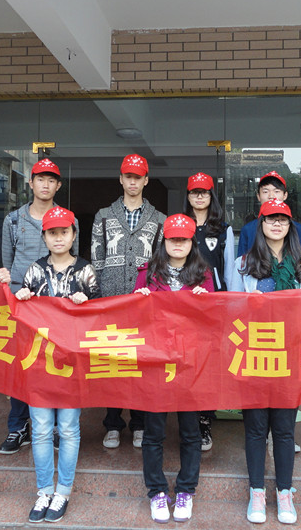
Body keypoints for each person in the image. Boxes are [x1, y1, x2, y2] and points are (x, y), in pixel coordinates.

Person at [13, 206, 100, 524]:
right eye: (52, 233)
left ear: (74, 235)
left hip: (72, 363)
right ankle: (43, 491)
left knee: (68, 428)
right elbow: (22, 319)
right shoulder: (34, 271)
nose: (59, 237)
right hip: (40, 362)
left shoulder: (86, 271)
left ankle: (63, 491)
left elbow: (101, 315)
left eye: (64, 232)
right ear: (45, 237)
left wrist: (86, 303)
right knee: (40, 429)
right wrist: (23, 298)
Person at [230, 199, 301, 525]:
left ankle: (285, 492)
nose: (276, 224)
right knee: (255, 429)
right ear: (260, 225)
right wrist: (248, 305)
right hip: (254, 354)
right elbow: (229, 309)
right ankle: (256, 492)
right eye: (270, 219)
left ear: (290, 226)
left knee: (284, 429)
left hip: (289, 357)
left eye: (282, 219)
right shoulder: (243, 264)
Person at [0, 158, 78, 456]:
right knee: (22, 365)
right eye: (40, 179)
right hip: (23, 305)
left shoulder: (68, 219)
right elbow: (7, 263)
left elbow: (73, 261)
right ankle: (18, 427)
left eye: (51, 180)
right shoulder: (13, 220)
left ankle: (53, 427)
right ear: (30, 183)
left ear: (58, 185)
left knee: (55, 365)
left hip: (57, 305)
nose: (45, 184)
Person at [133, 213, 214, 523]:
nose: (178, 244)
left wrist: (207, 301)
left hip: (190, 364)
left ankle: (185, 490)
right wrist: (138, 300)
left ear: (192, 242)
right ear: (163, 241)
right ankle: (156, 491)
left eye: (183, 239)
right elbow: (132, 320)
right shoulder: (148, 273)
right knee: (153, 432)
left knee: (191, 432)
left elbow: (214, 321)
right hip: (156, 364)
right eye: (172, 239)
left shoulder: (203, 275)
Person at [91, 154, 166, 449]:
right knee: (113, 362)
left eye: (138, 177)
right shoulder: (103, 215)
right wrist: (98, 298)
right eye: (128, 177)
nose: (133, 182)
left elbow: (161, 264)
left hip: (144, 302)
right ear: (121, 179)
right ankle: (112, 423)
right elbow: (97, 259)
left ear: (146, 180)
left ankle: (139, 423)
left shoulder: (159, 219)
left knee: (140, 363)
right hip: (111, 301)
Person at [185, 171, 234, 451]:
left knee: (209, 365)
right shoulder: (180, 225)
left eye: (204, 192)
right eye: (195, 192)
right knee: (188, 362)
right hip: (185, 305)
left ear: (211, 196)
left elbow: (228, 270)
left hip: (213, 305)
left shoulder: (223, 229)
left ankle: (205, 422)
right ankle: (188, 421)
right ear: (188, 196)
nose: (199, 197)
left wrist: (228, 304)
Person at [236, 171, 301, 261]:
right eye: (265, 191)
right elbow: (241, 265)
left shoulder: (299, 230)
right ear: (258, 196)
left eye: (276, 191)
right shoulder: (248, 230)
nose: (271, 196)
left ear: (285, 195)